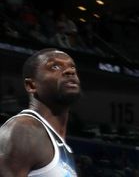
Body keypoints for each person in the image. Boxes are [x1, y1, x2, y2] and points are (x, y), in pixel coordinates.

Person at [0, 48, 81, 177]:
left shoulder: (63, 147)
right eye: (54, 67)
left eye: (72, 67)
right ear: (31, 85)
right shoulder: (23, 130)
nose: (70, 71)